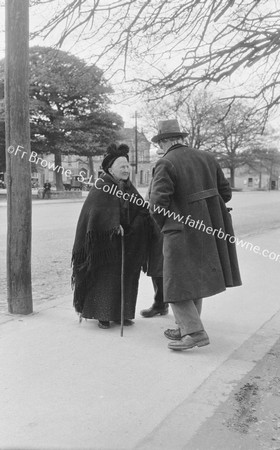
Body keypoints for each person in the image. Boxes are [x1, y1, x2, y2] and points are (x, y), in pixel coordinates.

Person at [149, 119, 242, 351]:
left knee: (175, 282)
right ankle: (185, 327)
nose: (159, 147)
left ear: (166, 141)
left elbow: (157, 204)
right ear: (181, 138)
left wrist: (166, 224)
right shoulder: (208, 158)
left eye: (160, 142)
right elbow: (226, 194)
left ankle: (195, 332)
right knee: (193, 280)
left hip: (178, 231)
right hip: (208, 230)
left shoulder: (166, 163)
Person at [71, 143, 149, 329]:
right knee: (105, 277)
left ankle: (122, 313)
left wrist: (136, 224)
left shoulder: (128, 187)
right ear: (110, 169)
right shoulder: (102, 186)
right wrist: (112, 227)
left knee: (128, 276)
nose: (126, 169)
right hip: (104, 246)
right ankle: (102, 315)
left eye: (127, 166)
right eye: (121, 166)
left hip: (126, 241)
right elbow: (96, 215)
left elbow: (141, 209)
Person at [140, 167, 168, 318]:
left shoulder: (169, 174)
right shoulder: (156, 176)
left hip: (165, 227)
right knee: (155, 267)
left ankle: (162, 304)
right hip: (153, 228)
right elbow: (148, 199)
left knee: (162, 268)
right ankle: (160, 304)